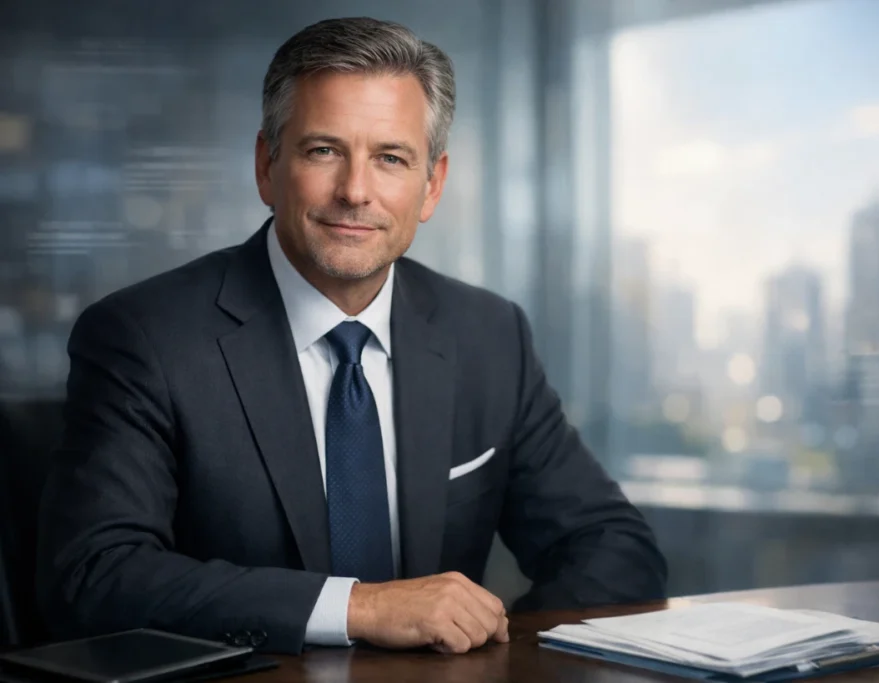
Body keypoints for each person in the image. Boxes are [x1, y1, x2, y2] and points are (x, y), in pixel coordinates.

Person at [36, 17, 666, 656]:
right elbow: (93, 577)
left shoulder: (488, 334)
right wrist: (359, 607)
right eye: (323, 151)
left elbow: (614, 547)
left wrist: (501, 657)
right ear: (266, 166)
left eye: (391, 158)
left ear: (432, 185)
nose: (356, 192)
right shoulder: (144, 337)